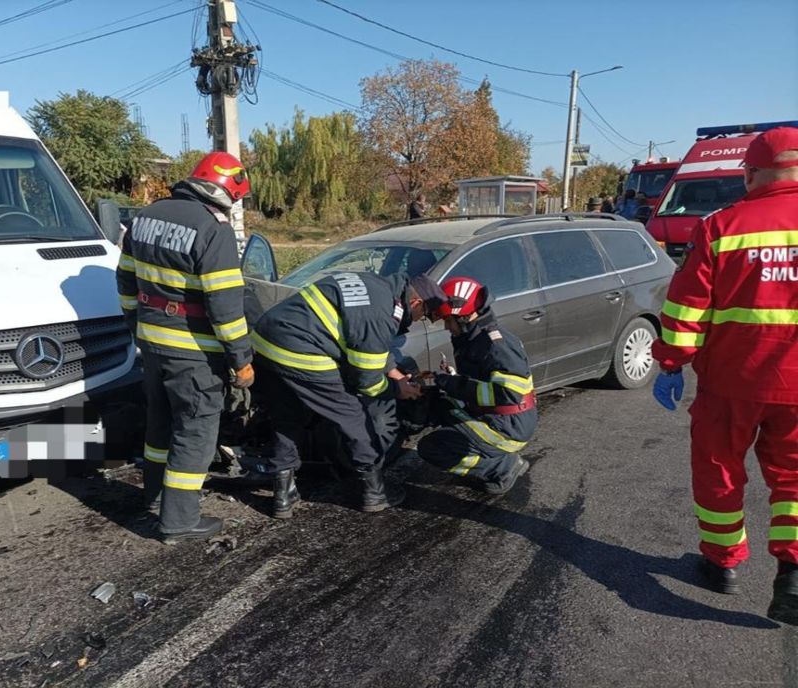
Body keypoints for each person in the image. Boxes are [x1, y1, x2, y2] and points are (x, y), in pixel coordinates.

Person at [651, 126, 798, 624]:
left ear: (754, 172)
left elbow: (686, 309)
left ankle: (723, 565)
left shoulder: (722, 226)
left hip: (732, 382)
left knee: (719, 472)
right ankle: (793, 576)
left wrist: (670, 361)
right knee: (795, 481)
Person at [117, 151, 254, 543]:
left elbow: (126, 281)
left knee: (161, 425)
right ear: (229, 191)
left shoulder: (146, 216)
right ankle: (178, 520)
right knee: (196, 430)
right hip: (193, 351)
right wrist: (241, 360)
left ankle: (155, 497)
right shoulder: (214, 228)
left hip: (152, 345)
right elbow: (225, 305)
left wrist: (137, 328)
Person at [251, 272, 447, 517]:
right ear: (416, 303)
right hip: (301, 351)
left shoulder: (377, 286)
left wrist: (394, 373)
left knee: (287, 415)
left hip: (265, 340)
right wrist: (397, 390)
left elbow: (366, 339)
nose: (420, 320)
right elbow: (367, 381)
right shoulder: (381, 314)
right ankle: (375, 492)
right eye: (425, 316)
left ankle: (283, 495)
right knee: (352, 415)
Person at [416, 277, 537, 495]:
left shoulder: (495, 345)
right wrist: (446, 382)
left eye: (448, 320)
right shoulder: (474, 339)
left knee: (431, 448)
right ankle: (493, 457)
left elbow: (509, 394)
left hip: (506, 429)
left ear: (463, 317)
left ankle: (502, 467)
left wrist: (452, 383)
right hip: (495, 417)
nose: (446, 326)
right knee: (437, 403)